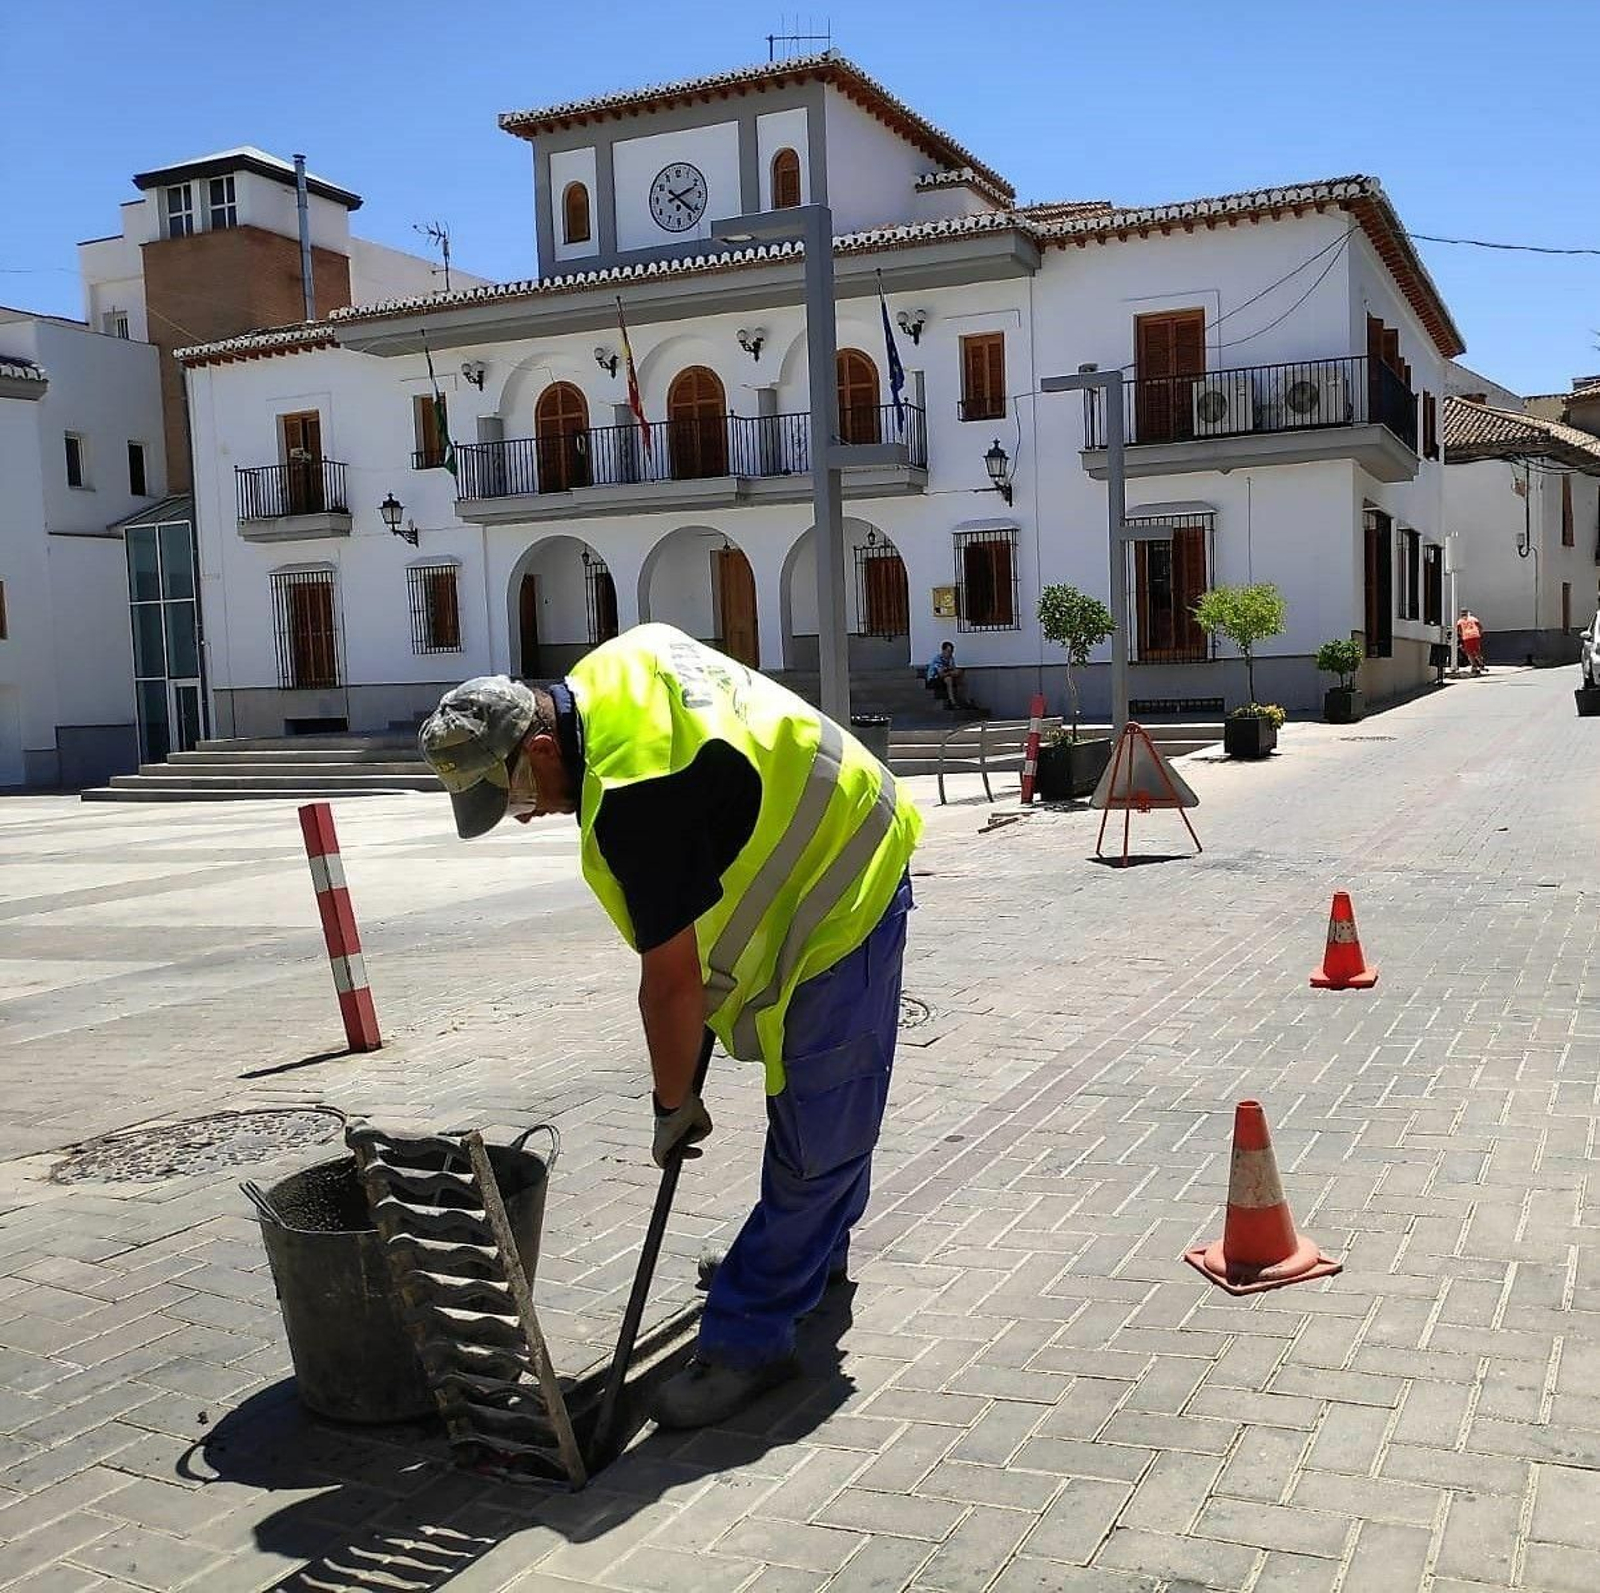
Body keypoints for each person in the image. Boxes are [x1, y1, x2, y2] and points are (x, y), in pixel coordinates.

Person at [418, 623, 921, 1429]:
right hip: (816, 839)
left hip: (846, 883)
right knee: (820, 1117)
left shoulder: (632, 796)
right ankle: (805, 1258)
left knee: (824, 1123)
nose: (518, 817)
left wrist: (670, 1104)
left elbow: (670, 985)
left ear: (542, 745)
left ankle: (749, 1337)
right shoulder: (604, 675)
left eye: (510, 795)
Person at [926, 640, 972, 709]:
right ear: (943, 651)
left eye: (951, 652)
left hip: (945, 677)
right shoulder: (937, 659)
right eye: (948, 651)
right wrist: (951, 673)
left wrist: (957, 672)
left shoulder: (951, 659)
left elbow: (953, 668)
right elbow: (941, 674)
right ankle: (952, 701)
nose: (950, 654)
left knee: (961, 678)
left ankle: (966, 700)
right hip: (934, 679)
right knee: (948, 679)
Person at [1456, 609, 1485, 675]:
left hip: (1467, 637)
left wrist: (1460, 636)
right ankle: (1481, 664)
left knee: (1469, 653)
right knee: (1477, 651)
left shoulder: (1460, 621)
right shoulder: (1473, 619)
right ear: (1468, 613)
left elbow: (1458, 630)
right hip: (1475, 635)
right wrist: (1480, 634)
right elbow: (1479, 626)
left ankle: (1474, 666)